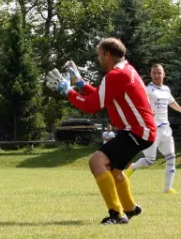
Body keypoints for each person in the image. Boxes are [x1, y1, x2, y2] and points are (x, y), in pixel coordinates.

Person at [47, 37, 156, 224]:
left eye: (99, 54)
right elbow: (102, 95)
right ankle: (130, 208)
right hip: (140, 130)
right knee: (113, 169)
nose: (98, 58)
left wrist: (68, 91)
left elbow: (92, 105)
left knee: (97, 161)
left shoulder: (116, 75)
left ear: (107, 55)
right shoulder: (125, 71)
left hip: (137, 131)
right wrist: (80, 84)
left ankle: (117, 214)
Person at [126, 64, 181, 193]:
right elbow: (138, 102)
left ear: (164, 74)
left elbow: (172, 103)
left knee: (171, 158)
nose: (157, 75)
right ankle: (132, 168)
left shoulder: (166, 90)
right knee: (150, 161)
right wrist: (148, 110)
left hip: (166, 129)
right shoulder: (147, 90)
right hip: (152, 130)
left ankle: (167, 189)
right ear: (151, 75)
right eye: (154, 73)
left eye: (159, 73)